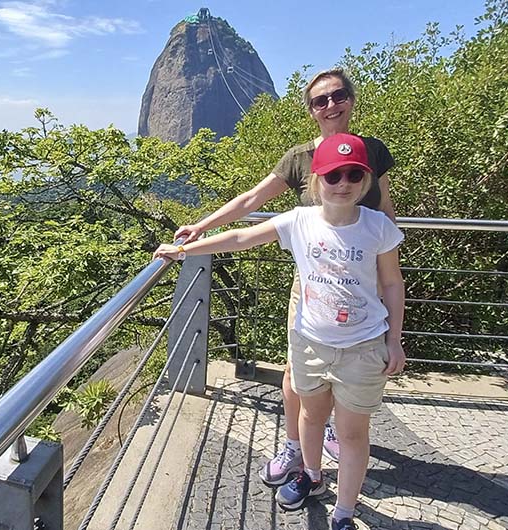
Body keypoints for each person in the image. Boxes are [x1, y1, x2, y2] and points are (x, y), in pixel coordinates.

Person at [156, 133, 406, 530]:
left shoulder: (378, 227)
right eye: (333, 175)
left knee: (353, 434)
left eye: (353, 175)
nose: (343, 183)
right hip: (310, 343)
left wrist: (394, 340)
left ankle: (344, 512)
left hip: (363, 347)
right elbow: (241, 237)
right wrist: (185, 249)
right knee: (309, 416)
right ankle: (311, 474)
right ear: (315, 180)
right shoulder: (298, 221)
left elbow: (392, 283)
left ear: (366, 182)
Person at [172, 68, 397, 485]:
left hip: (363, 279)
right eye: (320, 100)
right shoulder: (299, 159)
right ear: (311, 110)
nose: (331, 105)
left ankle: (330, 433)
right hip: (311, 285)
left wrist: (385, 266)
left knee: (346, 371)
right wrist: (201, 227)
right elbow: (252, 200)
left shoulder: (372, 151)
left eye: (338, 95)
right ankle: (295, 445)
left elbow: (385, 210)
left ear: (351, 99)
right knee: (297, 371)